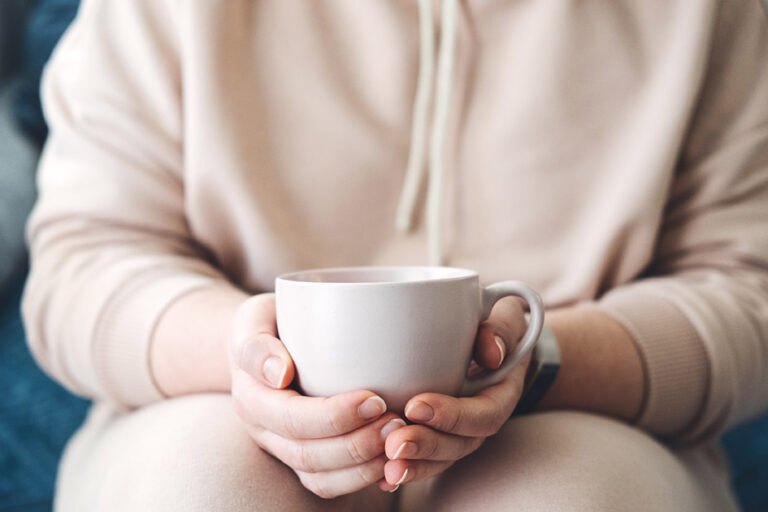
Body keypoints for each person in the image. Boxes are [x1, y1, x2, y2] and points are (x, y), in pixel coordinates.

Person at [22, 0, 768, 510]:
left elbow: (745, 289)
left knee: (574, 497)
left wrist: (535, 362)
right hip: (211, 406)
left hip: (583, 413)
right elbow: (86, 259)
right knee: (198, 490)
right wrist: (245, 356)